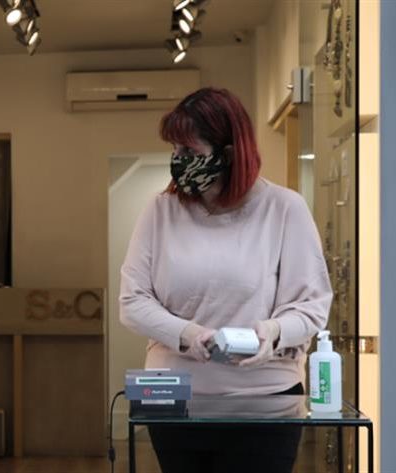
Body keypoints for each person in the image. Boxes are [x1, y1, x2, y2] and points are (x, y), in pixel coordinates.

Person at [119, 87, 333, 473]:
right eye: (175, 150)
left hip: (266, 405)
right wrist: (186, 333)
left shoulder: (284, 209)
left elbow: (312, 305)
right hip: (175, 402)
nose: (178, 161)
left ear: (230, 153)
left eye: (190, 151)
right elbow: (133, 302)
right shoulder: (160, 211)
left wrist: (273, 332)